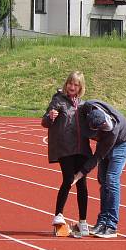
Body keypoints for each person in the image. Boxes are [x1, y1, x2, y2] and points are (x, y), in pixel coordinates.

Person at [72, 100, 126, 238]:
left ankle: (111, 225)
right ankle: (102, 221)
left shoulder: (112, 131)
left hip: (122, 142)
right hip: (105, 142)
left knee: (111, 180)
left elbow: (98, 156)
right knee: (102, 180)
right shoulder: (87, 107)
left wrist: (80, 173)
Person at [41, 71, 92, 237]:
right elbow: (45, 122)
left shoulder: (84, 105)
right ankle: (58, 215)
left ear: (80, 87)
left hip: (82, 148)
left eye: (76, 84)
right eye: (70, 83)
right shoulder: (57, 100)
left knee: (82, 184)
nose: (72, 87)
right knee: (68, 179)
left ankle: (83, 221)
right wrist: (50, 117)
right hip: (65, 148)